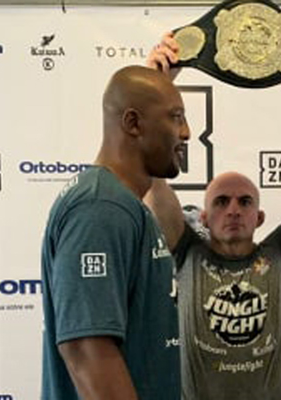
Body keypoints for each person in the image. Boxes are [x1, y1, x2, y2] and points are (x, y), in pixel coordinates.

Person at [143, 33, 281, 400]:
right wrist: (157, 86)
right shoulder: (186, 254)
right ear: (204, 217)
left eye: (245, 202)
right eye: (221, 202)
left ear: (260, 217)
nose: (234, 209)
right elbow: (152, 180)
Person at [40, 65, 189, 400]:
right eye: (176, 117)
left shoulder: (121, 204)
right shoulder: (101, 207)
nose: (187, 133)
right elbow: (86, 349)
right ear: (133, 123)